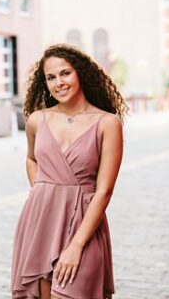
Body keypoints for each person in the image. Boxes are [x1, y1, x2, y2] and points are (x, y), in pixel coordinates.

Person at [11, 44, 125, 298]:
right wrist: (41, 191)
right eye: (51, 77)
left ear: (81, 74)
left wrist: (76, 246)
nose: (58, 83)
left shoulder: (107, 123)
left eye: (65, 73)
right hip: (41, 223)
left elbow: (104, 191)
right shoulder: (37, 120)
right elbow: (31, 159)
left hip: (84, 226)